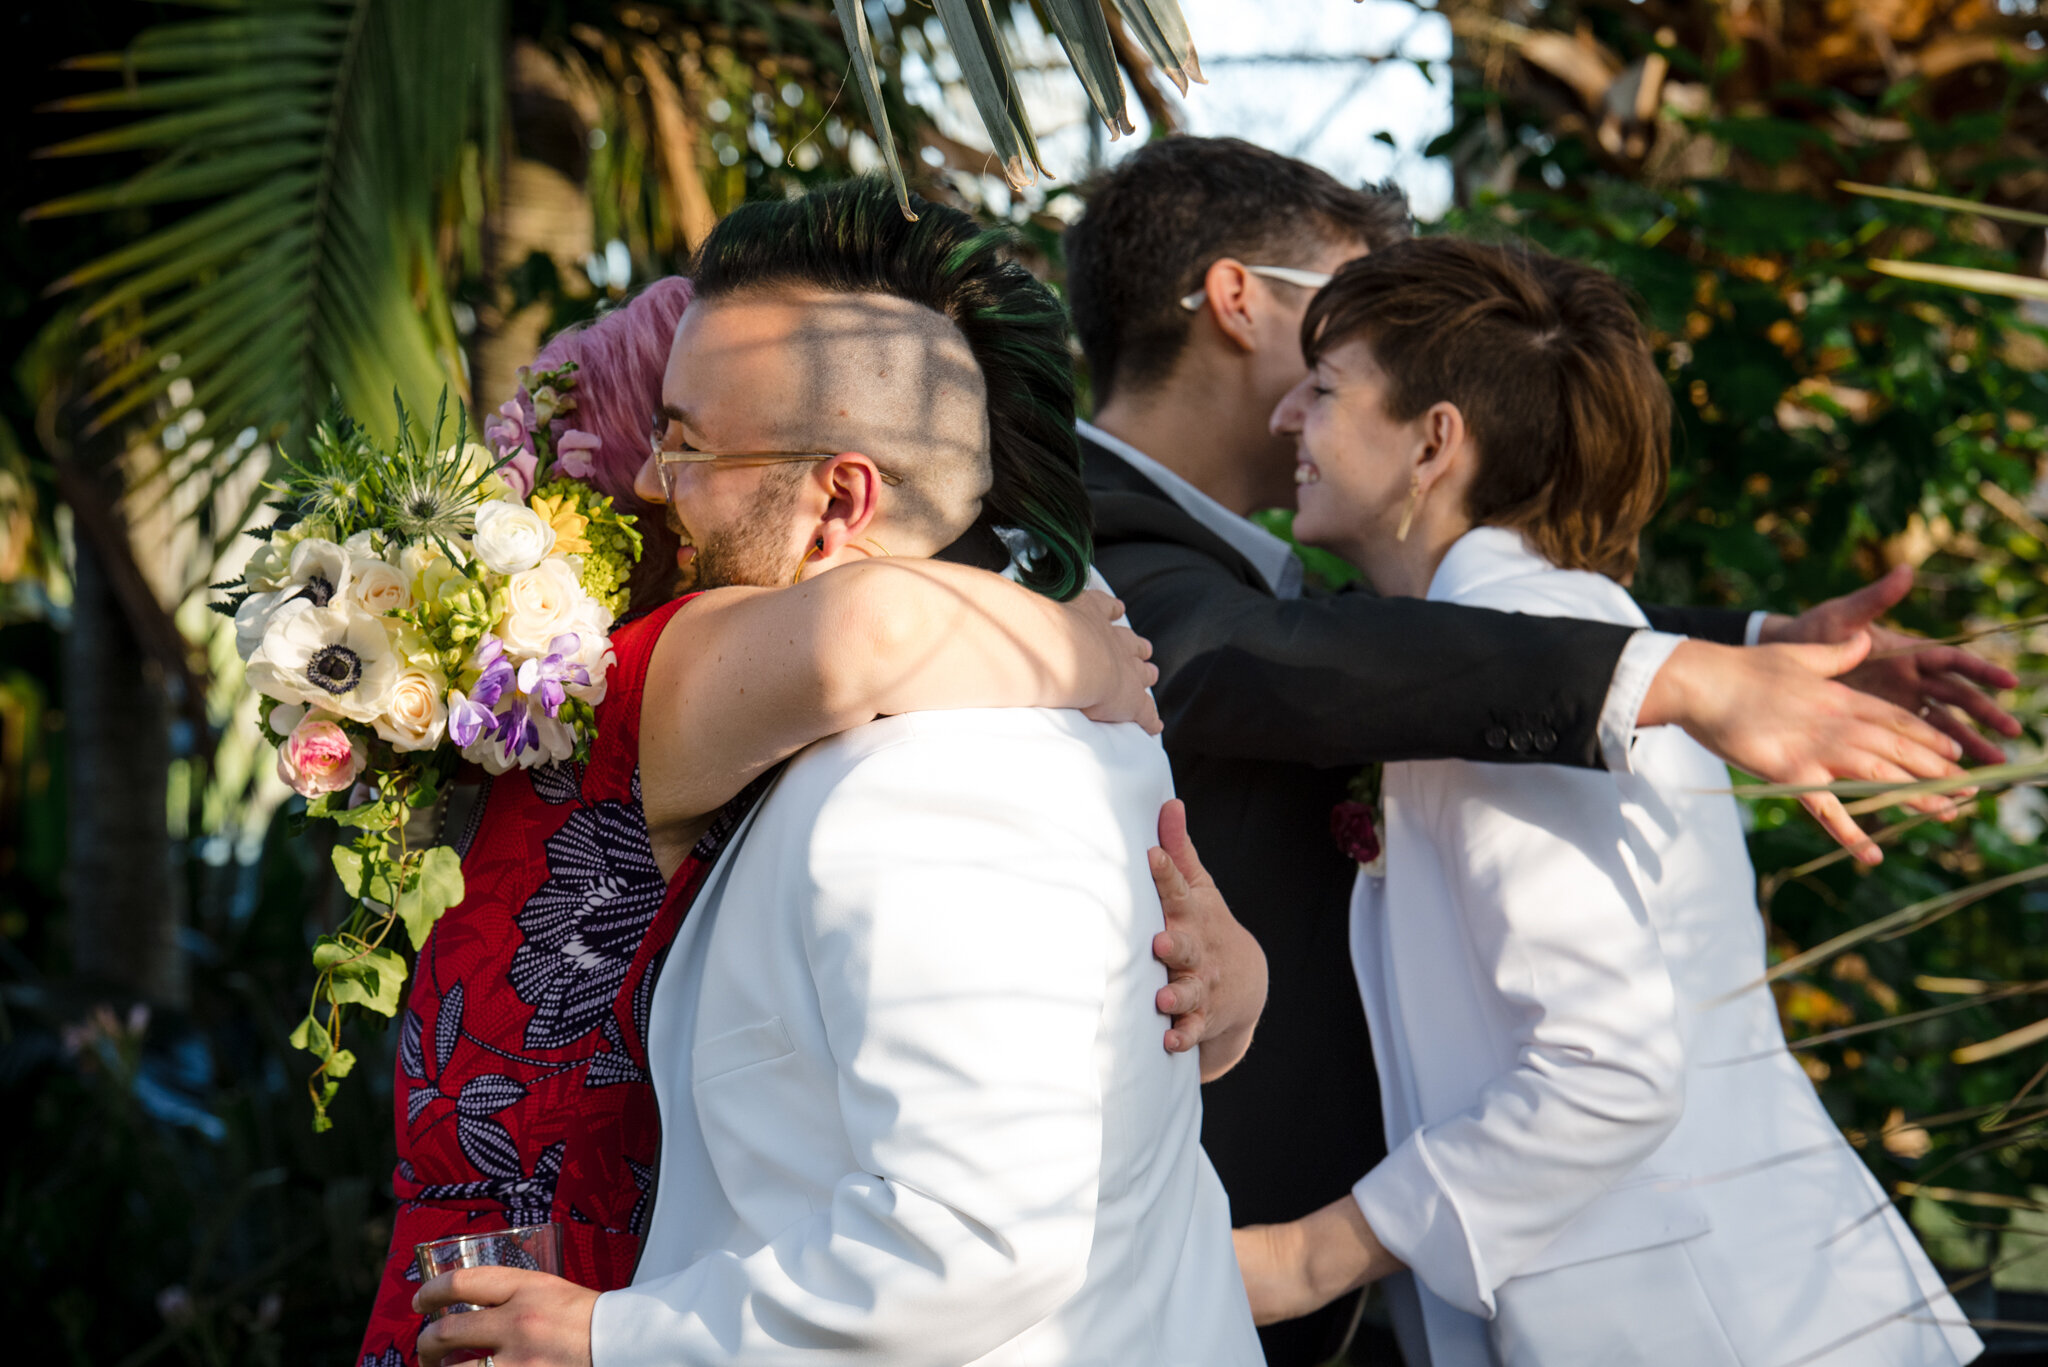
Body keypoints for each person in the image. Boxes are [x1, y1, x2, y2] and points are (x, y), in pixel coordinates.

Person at [1062, 135, 2019, 1363]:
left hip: (1695, 1317)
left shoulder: (1505, 664)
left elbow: (1605, 1069)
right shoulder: (1125, 560)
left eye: (1334, 382)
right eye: (1318, 355)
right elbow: (1290, 652)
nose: (1300, 404)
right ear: (1235, 299)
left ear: (1430, 443)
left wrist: (1307, 1257)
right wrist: (1716, 658)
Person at [357, 215, 1259, 1366]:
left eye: (678, 444)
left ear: (839, 501)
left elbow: (976, 1230)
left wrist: (615, 1336)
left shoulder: (932, 771)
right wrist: (1078, 637)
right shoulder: (898, 726)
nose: (642, 480)